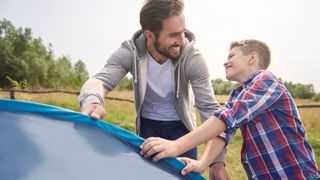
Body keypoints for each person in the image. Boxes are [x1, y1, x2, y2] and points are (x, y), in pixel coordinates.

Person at [78, 0, 230, 179]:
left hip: (182, 130)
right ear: (149, 35)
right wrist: (93, 99)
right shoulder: (130, 52)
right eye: (174, 35)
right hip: (147, 128)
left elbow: (210, 110)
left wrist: (217, 162)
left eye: (183, 32)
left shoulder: (193, 57)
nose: (181, 41)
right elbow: (99, 80)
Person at [140, 39, 320, 179]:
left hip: (296, 175)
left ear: (252, 57)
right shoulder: (237, 94)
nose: (225, 62)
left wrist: (176, 146)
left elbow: (227, 117)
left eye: (231, 56)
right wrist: (203, 163)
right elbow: (224, 132)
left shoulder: (267, 80)